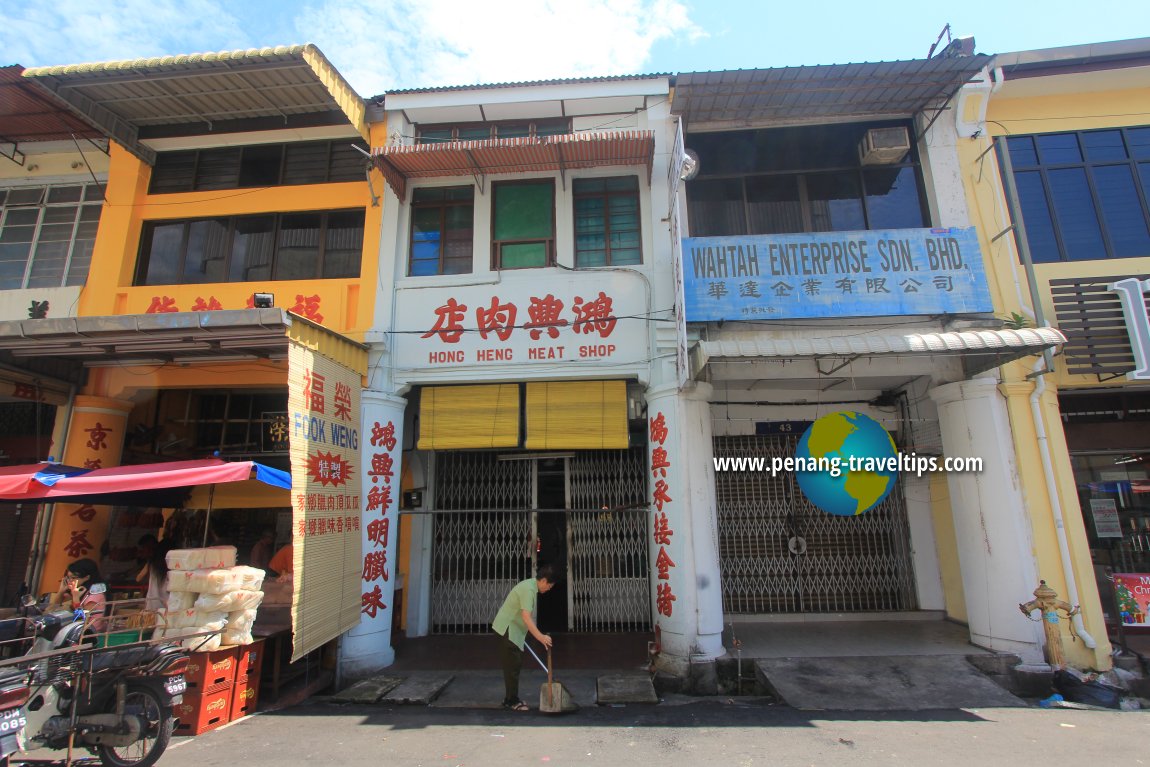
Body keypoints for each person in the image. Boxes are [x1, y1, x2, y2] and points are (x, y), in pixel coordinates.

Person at [491, 564, 556, 711]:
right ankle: (512, 701)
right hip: (507, 628)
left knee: (515, 663)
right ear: (544, 581)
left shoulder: (530, 586)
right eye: (550, 586)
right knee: (512, 666)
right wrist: (540, 637)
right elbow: (526, 617)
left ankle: (510, 698)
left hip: (513, 629)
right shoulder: (529, 590)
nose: (549, 589)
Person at [48, 558, 107, 632]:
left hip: (87, 633)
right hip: (77, 629)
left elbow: (81, 618)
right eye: (68, 577)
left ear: (87, 577)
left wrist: (76, 598)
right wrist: (61, 591)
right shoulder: (81, 591)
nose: (70, 581)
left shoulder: (95, 595)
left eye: (73, 578)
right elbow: (54, 608)